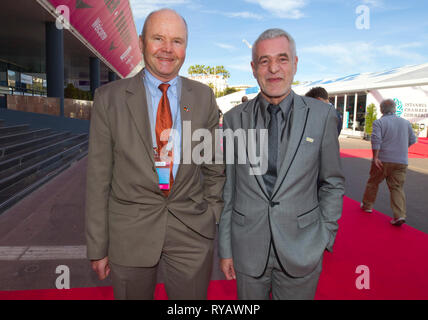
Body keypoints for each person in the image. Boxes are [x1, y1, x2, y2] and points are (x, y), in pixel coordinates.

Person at [85, 8, 225, 300]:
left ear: (186, 47)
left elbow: (215, 167)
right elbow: (98, 179)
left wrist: (211, 214)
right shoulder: (109, 99)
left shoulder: (203, 97)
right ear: (140, 42)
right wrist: (98, 246)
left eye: (177, 41)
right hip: (129, 235)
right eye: (158, 38)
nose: (167, 49)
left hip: (191, 234)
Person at [218, 28, 345, 300]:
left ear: (295, 63)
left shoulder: (322, 116)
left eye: (282, 59)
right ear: (253, 68)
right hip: (247, 249)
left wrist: (325, 234)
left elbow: (332, 183)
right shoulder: (232, 120)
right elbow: (229, 189)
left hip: (303, 248)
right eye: (264, 60)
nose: (273, 68)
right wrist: (226, 248)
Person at [360, 99, 416, 226]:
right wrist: (400, 148)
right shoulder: (405, 123)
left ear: (381, 110)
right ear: (395, 109)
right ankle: (399, 215)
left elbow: (376, 140)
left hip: (383, 159)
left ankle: (367, 206)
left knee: (373, 182)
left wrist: (375, 157)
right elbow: (413, 140)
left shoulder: (379, 122)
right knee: (397, 187)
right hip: (401, 161)